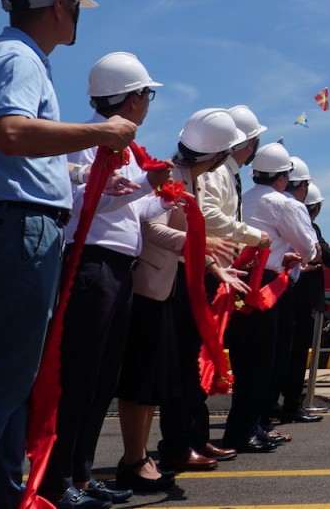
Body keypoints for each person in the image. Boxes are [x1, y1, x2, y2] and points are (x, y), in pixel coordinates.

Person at [0, 0, 136, 509]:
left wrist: (72, 167)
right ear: (58, 7)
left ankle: (1, 496)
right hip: (19, 229)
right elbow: (14, 133)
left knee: (9, 381)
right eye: (77, 7)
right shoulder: (20, 60)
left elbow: (17, 147)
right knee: (2, 380)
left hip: (9, 226)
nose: (78, 18)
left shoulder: (9, 57)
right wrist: (100, 135)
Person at [40, 53, 171, 509]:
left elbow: (135, 211)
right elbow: (83, 204)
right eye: (146, 95)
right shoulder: (86, 142)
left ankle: (81, 473)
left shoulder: (128, 149)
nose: (148, 103)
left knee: (101, 379)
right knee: (79, 377)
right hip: (91, 264)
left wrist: (166, 195)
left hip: (117, 268)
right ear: (132, 99)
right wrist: (146, 187)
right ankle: (59, 481)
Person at [115, 109, 248, 492]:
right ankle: (139, 457)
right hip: (154, 286)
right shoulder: (174, 179)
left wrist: (209, 264)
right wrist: (197, 249)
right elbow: (149, 225)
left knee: (161, 378)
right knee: (145, 379)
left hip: (172, 285)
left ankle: (145, 454)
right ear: (218, 156)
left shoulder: (189, 177)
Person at [157, 104, 271, 470]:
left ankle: (194, 437)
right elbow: (190, 223)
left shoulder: (197, 174)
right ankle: (179, 442)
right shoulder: (188, 175)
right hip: (183, 276)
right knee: (185, 363)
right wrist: (228, 245)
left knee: (194, 359)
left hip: (205, 270)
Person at [221, 143, 315, 453]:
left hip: (238, 279)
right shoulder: (283, 203)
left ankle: (251, 426)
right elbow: (309, 246)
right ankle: (246, 429)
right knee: (262, 363)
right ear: (282, 177)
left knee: (246, 361)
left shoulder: (242, 198)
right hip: (268, 285)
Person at [279, 181, 330, 423]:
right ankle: (292, 405)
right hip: (299, 302)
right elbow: (327, 257)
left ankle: (274, 405)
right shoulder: (309, 229)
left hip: (284, 298)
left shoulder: (284, 225)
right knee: (296, 355)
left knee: (281, 355)